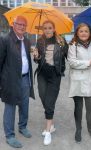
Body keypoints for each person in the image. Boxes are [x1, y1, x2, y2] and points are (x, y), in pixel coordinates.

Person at [0, 16, 35, 148]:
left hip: (25, 78)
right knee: (10, 106)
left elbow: (25, 59)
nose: (21, 27)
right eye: (19, 24)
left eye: (24, 25)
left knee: (24, 104)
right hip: (10, 80)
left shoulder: (26, 41)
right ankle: (9, 135)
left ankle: (22, 126)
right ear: (13, 25)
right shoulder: (5, 39)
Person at [33, 20, 68, 145]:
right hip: (42, 74)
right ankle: (51, 124)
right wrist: (36, 56)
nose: (47, 30)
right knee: (43, 98)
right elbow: (37, 60)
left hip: (55, 75)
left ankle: (48, 130)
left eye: (50, 28)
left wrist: (63, 46)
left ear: (54, 29)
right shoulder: (40, 41)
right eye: (45, 28)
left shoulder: (61, 41)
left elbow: (69, 56)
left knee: (49, 101)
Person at [68, 23, 91, 143]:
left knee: (90, 108)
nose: (84, 33)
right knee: (78, 108)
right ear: (77, 33)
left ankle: (90, 128)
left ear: (90, 33)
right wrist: (90, 62)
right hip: (78, 81)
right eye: (81, 31)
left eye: (86, 31)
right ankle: (78, 129)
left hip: (90, 80)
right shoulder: (73, 46)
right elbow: (72, 62)